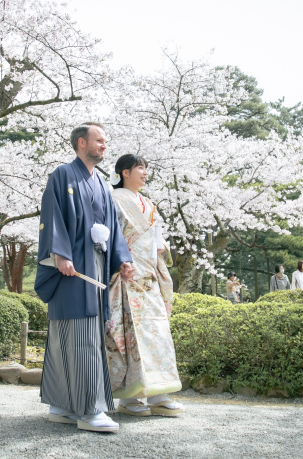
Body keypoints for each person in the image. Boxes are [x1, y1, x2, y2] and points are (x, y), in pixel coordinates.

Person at [34, 122, 135, 434]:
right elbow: (52, 215)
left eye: (105, 141)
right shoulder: (63, 175)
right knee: (77, 336)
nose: (104, 145)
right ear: (82, 143)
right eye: (99, 140)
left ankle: (62, 405)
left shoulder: (103, 184)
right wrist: (59, 254)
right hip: (72, 266)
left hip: (97, 263)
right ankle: (89, 410)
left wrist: (123, 259)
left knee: (81, 333)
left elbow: (114, 227)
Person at [105, 154, 185, 417]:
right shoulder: (114, 199)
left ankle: (159, 393)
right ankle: (130, 397)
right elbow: (110, 237)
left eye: (146, 169)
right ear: (125, 172)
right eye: (141, 168)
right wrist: (120, 262)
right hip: (128, 276)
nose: (145, 173)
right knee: (131, 339)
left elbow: (157, 242)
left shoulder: (148, 203)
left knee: (158, 336)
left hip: (149, 276)